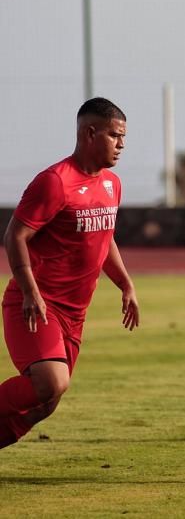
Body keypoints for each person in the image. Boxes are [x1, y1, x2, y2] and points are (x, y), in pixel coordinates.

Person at [0, 97, 140, 449]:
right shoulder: (55, 182)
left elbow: (103, 238)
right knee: (51, 382)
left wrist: (125, 284)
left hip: (74, 314)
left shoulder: (112, 184)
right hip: (35, 303)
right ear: (89, 133)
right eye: (114, 136)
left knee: (46, 403)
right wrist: (30, 290)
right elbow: (15, 235)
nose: (121, 145)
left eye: (123, 137)